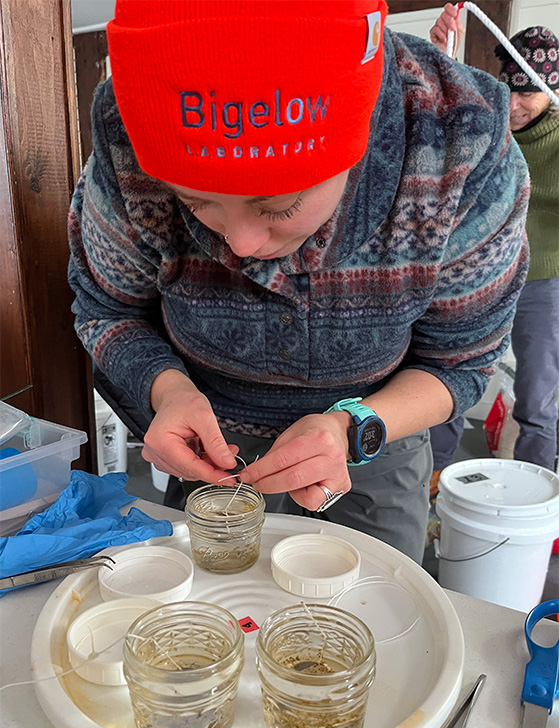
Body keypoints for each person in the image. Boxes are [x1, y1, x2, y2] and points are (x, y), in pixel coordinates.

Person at [68, 0, 529, 564]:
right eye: (196, 202)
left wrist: (354, 426)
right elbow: (106, 309)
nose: (239, 244)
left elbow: (460, 361)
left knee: (377, 615)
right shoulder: (125, 140)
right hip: (212, 445)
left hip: (374, 434)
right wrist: (168, 390)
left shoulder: (458, 142)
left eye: (279, 207)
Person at [429, 5, 559, 493]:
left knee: (537, 399)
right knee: (448, 378)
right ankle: (434, 483)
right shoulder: (486, 123)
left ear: (550, 90)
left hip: (542, 285)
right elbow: (442, 121)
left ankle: (536, 496)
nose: (517, 102)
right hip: (479, 277)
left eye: (530, 91)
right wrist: (444, 55)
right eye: (510, 87)